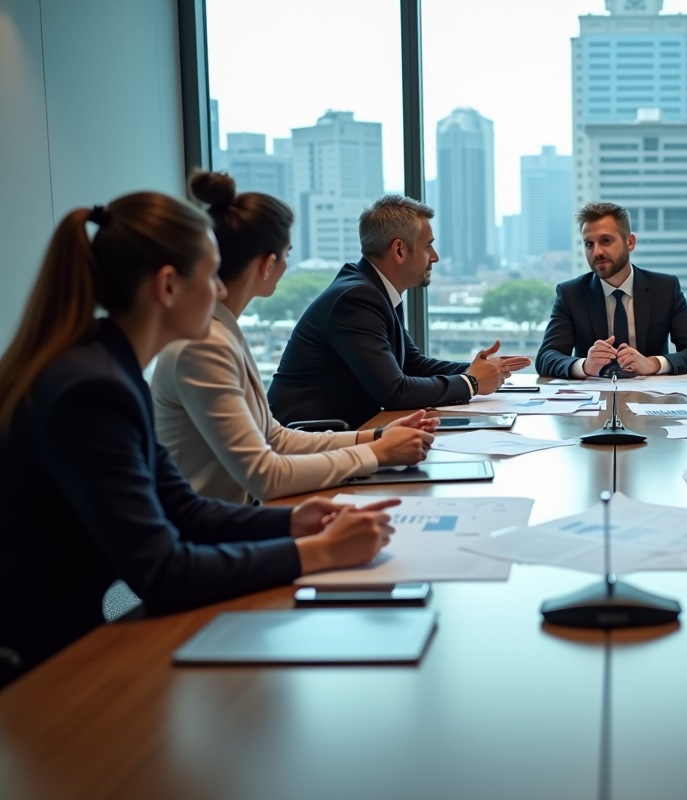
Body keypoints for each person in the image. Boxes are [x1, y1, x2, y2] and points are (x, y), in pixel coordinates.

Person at [0, 192, 398, 680]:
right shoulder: (92, 390)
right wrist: (320, 552)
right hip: (43, 662)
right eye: (210, 276)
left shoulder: (109, 371)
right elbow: (164, 572)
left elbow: (183, 509)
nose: (221, 291)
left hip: (74, 634)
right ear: (168, 286)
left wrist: (296, 522)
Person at [151, 172, 438, 505]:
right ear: (267, 263)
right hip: (211, 535)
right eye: (287, 253)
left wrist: (375, 437)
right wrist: (375, 453)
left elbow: (274, 438)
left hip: (235, 519)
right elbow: (265, 476)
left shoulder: (223, 330)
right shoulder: (203, 345)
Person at [267, 196, 532, 428]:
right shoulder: (357, 298)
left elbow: (412, 364)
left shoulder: (373, 289)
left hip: (340, 431)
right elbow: (394, 391)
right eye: (428, 246)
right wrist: (471, 382)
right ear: (399, 250)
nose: (435, 257)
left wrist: (483, 369)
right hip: (306, 441)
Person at [535, 202, 687, 378]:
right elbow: (546, 358)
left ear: (630, 242)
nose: (597, 252)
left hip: (650, 400)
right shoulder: (571, 294)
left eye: (605, 241)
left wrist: (653, 363)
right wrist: (585, 365)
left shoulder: (665, 289)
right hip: (594, 400)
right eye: (589, 244)